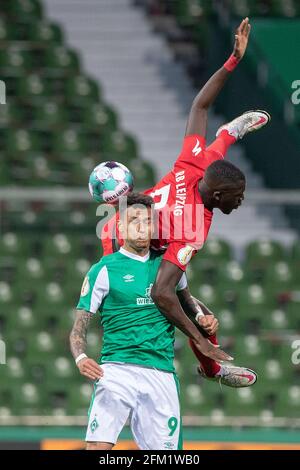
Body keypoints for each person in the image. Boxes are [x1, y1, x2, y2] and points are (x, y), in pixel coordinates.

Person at [100, 18, 269, 386]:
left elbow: (200, 105)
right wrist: (198, 336)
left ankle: (230, 133)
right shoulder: (194, 229)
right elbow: (163, 290)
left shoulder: (194, 164)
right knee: (194, 316)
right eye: (237, 199)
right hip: (127, 247)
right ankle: (210, 364)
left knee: (211, 153)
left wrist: (233, 60)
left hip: (140, 228)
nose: (239, 204)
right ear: (220, 196)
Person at [70, 193, 230, 451]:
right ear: (120, 226)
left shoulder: (168, 265)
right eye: (135, 220)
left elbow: (187, 300)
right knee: (98, 448)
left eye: (148, 220)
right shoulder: (103, 269)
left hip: (161, 373)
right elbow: (79, 326)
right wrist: (80, 357)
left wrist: (203, 317)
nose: (143, 227)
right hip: (116, 370)